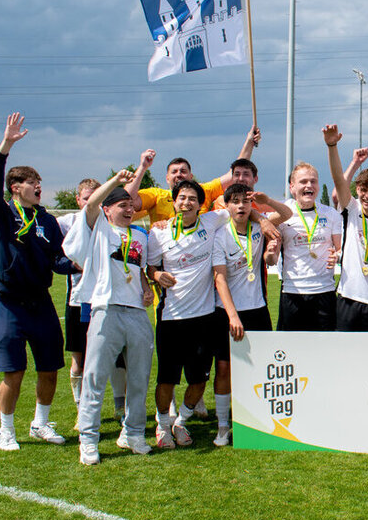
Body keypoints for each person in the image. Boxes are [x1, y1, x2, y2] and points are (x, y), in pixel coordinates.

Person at [0, 112, 73, 451]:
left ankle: (41, 423)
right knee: (14, 373)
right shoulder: (3, 215)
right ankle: (6, 429)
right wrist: (5, 147)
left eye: (40, 181)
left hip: (41, 304)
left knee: (50, 368)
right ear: (15, 188)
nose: (38, 186)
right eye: (31, 181)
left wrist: (78, 264)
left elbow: (57, 261)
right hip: (9, 305)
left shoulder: (47, 221)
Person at [63, 171, 156, 465]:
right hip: (106, 310)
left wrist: (146, 289)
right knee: (95, 378)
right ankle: (88, 440)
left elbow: (139, 269)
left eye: (131, 206)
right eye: (121, 205)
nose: (129, 210)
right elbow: (90, 206)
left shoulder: (139, 235)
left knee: (139, 378)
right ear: (107, 208)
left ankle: (134, 433)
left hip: (137, 315)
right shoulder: (99, 228)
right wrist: (115, 181)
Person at [146, 180, 228, 448]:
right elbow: (150, 269)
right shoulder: (159, 233)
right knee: (166, 379)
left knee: (198, 381)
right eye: (182, 198)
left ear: (200, 203)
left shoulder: (211, 222)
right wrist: (157, 275)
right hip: (171, 319)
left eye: (193, 198)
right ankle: (162, 425)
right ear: (174, 201)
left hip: (204, 319)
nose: (187, 202)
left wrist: (263, 222)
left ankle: (180, 421)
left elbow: (242, 207)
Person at [212, 184, 285, 446]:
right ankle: (222, 426)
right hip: (227, 312)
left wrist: (264, 214)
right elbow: (220, 279)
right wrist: (232, 316)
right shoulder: (219, 235)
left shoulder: (258, 228)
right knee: (224, 367)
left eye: (245, 201)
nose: (241, 206)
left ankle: (259, 420)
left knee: (262, 366)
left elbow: (286, 214)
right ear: (226, 206)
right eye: (234, 201)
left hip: (257, 309)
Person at [57, 179, 128, 425]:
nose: (91, 201)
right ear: (78, 200)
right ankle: (81, 407)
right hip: (79, 301)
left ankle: (120, 406)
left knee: (117, 355)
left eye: (96, 196)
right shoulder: (66, 222)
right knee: (80, 358)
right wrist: (75, 265)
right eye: (87, 198)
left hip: (108, 301)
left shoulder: (112, 227)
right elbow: (56, 259)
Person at [322, 125, 368, 331]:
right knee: (344, 359)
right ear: (357, 191)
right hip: (348, 298)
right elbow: (339, 180)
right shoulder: (352, 210)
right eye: (363, 190)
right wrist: (332, 146)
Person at [124, 125, 259, 223]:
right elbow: (128, 198)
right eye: (174, 172)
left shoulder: (204, 190)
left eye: (183, 171)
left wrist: (249, 142)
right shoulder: (156, 195)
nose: (179, 175)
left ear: (191, 177)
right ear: (167, 178)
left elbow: (233, 174)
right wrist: (142, 167)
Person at [277, 163, 344, 330]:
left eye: (313, 181)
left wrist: (337, 255)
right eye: (303, 181)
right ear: (292, 187)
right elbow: (270, 256)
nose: (309, 186)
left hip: (324, 291)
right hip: (292, 292)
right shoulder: (282, 214)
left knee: (324, 349)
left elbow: (340, 249)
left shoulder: (331, 214)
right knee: (292, 350)